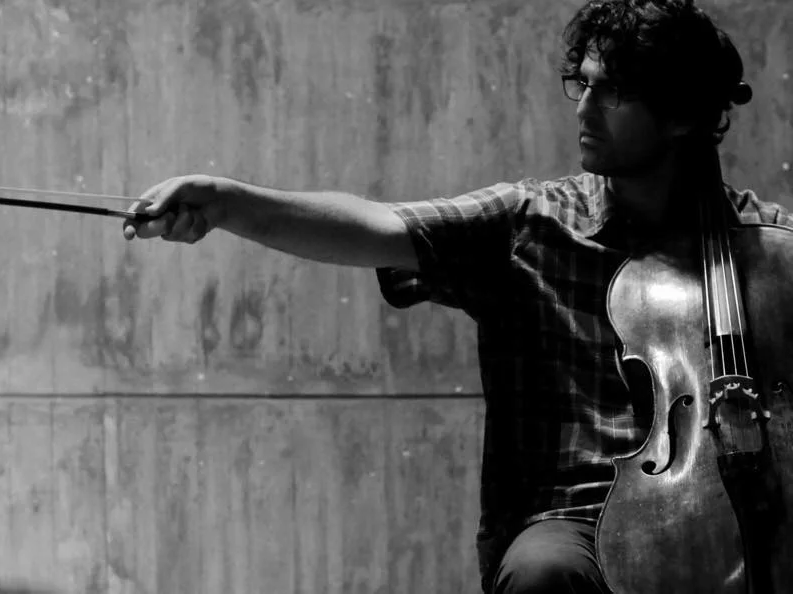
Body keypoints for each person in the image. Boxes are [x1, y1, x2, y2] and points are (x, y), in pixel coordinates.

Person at [122, 1, 792, 592]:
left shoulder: (769, 249)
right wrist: (229, 203)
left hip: (735, 512)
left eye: (611, 91)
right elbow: (378, 227)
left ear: (680, 116)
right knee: (542, 575)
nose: (583, 108)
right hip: (573, 522)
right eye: (581, 83)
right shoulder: (532, 224)